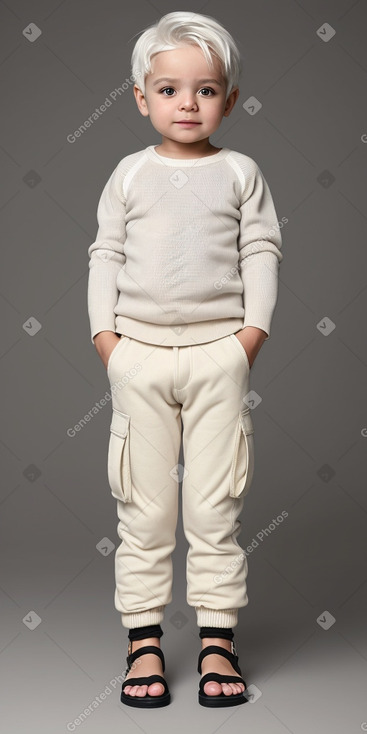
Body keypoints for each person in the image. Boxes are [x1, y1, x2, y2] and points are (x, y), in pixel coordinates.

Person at [87, 10, 283, 709]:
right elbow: (104, 254)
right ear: (141, 98)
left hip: (217, 358)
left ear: (227, 100)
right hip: (136, 356)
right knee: (142, 507)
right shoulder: (129, 174)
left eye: (205, 90)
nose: (187, 103)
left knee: (214, 505)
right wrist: (106, 343)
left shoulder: (239, 172)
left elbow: (260, 251)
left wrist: (247, 337)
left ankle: (216, 639)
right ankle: (143, 639)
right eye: (169, 89)